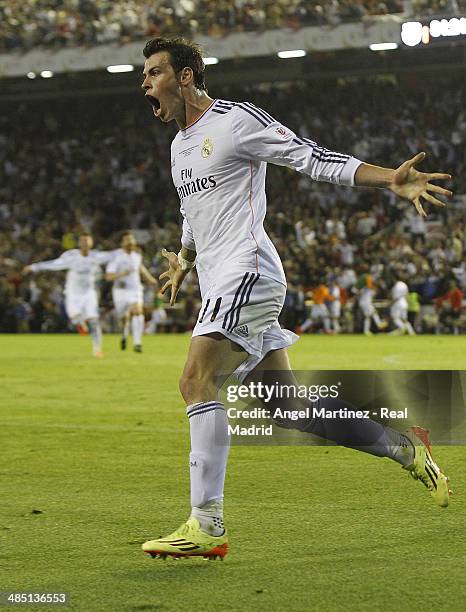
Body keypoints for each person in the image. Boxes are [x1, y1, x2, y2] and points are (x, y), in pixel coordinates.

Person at [140, 37, 453, 560]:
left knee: (196, 380)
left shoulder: (236, 121)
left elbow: (312, 159)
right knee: (286, 405)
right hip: (220, 279)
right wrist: (185, 259)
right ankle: (404, 449)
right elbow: (194, 211)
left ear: (187, 76)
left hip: (249, 271)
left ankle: (207, 525)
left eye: (154, 73)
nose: (145, 83)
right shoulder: (178, 148)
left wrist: (386, 179)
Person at [23, 232, 113, 357]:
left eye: (87, 241)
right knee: (75, 318)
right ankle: (80, 323)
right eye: (82, 241)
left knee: (94, 320)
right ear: (79, 243)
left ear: (91, 243)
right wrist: (34, 267)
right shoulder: (72, 256)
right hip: (73, 294)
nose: (85, 244)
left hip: (89, 293)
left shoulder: (96, 256)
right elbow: (54, 264)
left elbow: (113, 255)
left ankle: (97, 349)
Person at [105, 231, 157, 353]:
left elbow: (140, 268)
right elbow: (108, 276)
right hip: (120, 291)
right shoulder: (116, 257)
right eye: (127, 240)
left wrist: (150, 279)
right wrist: (122, 274)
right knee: (124, 318)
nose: (130, 242)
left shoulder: (136, 255)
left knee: (137, 312)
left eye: (131, 240)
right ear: (122, 243)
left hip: (135, 289)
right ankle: (124, 335)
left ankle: (137, 343)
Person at [357, 271, 386, 335]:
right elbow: (369, 283)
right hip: (365, 303)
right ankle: (379, 324)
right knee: (373, 313)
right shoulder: (368, 288)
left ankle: (366, 331)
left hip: (364, 303)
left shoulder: (366, 288)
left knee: (368, 316)